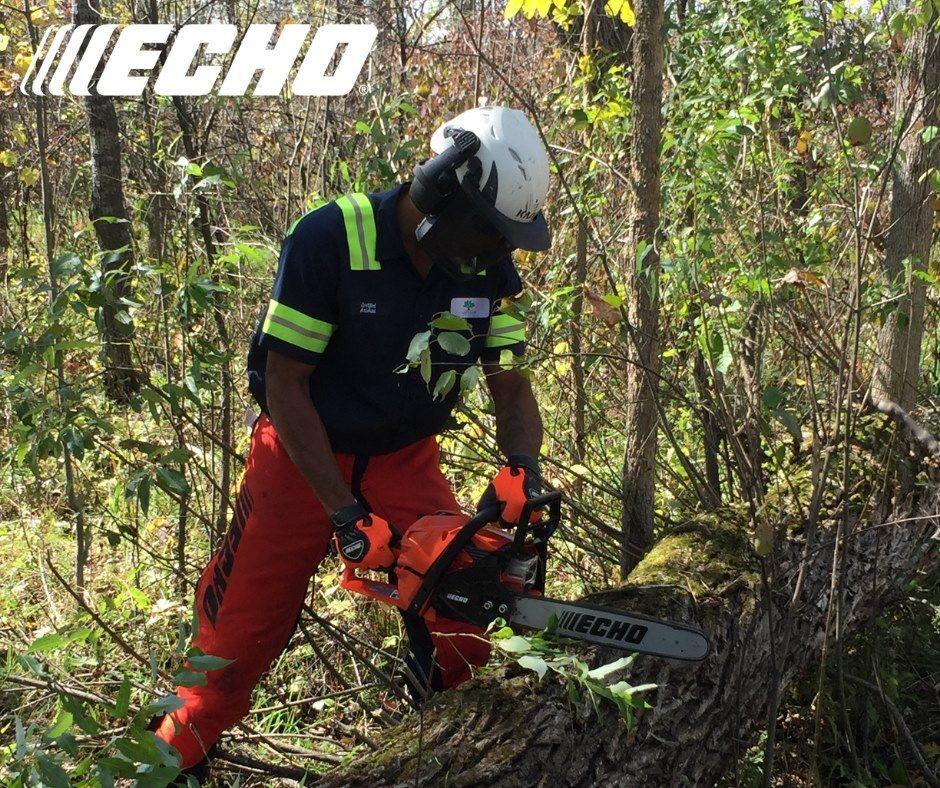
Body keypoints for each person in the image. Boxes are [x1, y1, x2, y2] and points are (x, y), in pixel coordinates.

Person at [152, 106, 553, 776]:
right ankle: (166, 756)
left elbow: (510, 383)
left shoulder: (487, 271)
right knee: (232, 646)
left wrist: (523, 470)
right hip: (300, 456)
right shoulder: (331, 238)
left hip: (405, 461)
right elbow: (285, 387)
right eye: (487, 229)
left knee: (462, 605)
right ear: (441, 189)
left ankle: (442, 756)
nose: (494, 248)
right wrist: (344, 513)